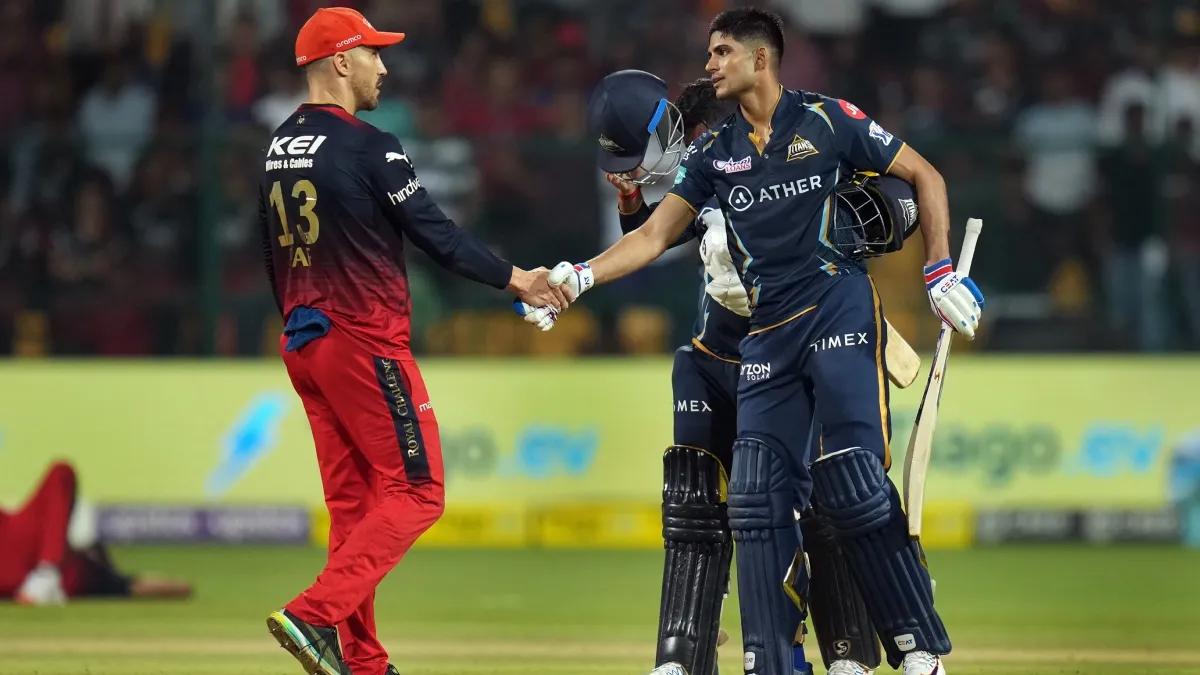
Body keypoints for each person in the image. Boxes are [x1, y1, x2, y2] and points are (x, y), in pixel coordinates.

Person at [528, 8, 984, 675]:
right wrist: (578, 276)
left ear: (759, 58)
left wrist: (938, 270)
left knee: (852, 480)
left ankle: (918, 648)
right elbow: (652, 236)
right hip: (766, 335)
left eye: (721, 52)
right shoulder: (714, 153)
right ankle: (774, 663)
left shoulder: (828, 119)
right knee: (754, 502)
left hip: (836, 309)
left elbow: (926, 177)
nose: (708, 63)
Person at [258, 8, 566, 675]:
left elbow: (270, 255)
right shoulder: (369, 145)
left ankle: (364, 663)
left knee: (353, 508)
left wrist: (303, 323)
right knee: (418, 491)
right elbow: (438, 235)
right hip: (364, 339)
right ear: (342, 61)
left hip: (304, 339)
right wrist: (519, 279)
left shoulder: (278, 146)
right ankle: (314, 613)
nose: (384, 67)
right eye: (374, 53)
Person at [0, 461, 192, 605]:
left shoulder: (76, 572)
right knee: (61, 471)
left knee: (61, 471)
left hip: (36, 568)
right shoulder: (75, 572)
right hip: (43, 569)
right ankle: (47, 573)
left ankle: (47, 573)